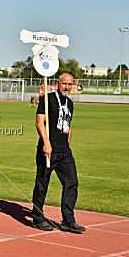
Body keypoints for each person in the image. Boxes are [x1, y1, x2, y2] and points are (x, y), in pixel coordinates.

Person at [31, 73, 85, 233]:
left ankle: (68, 221)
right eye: (64, 84)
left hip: (64, 152)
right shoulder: (47, 99)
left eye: (70, 84)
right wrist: (46, 144)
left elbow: (68, 126)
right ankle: (38, 219)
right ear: (57, 83)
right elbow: (39, 122)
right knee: (42, 184)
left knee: (71, 183)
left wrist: (68, 144)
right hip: (48, 149)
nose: (67, 87)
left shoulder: (70, 103)